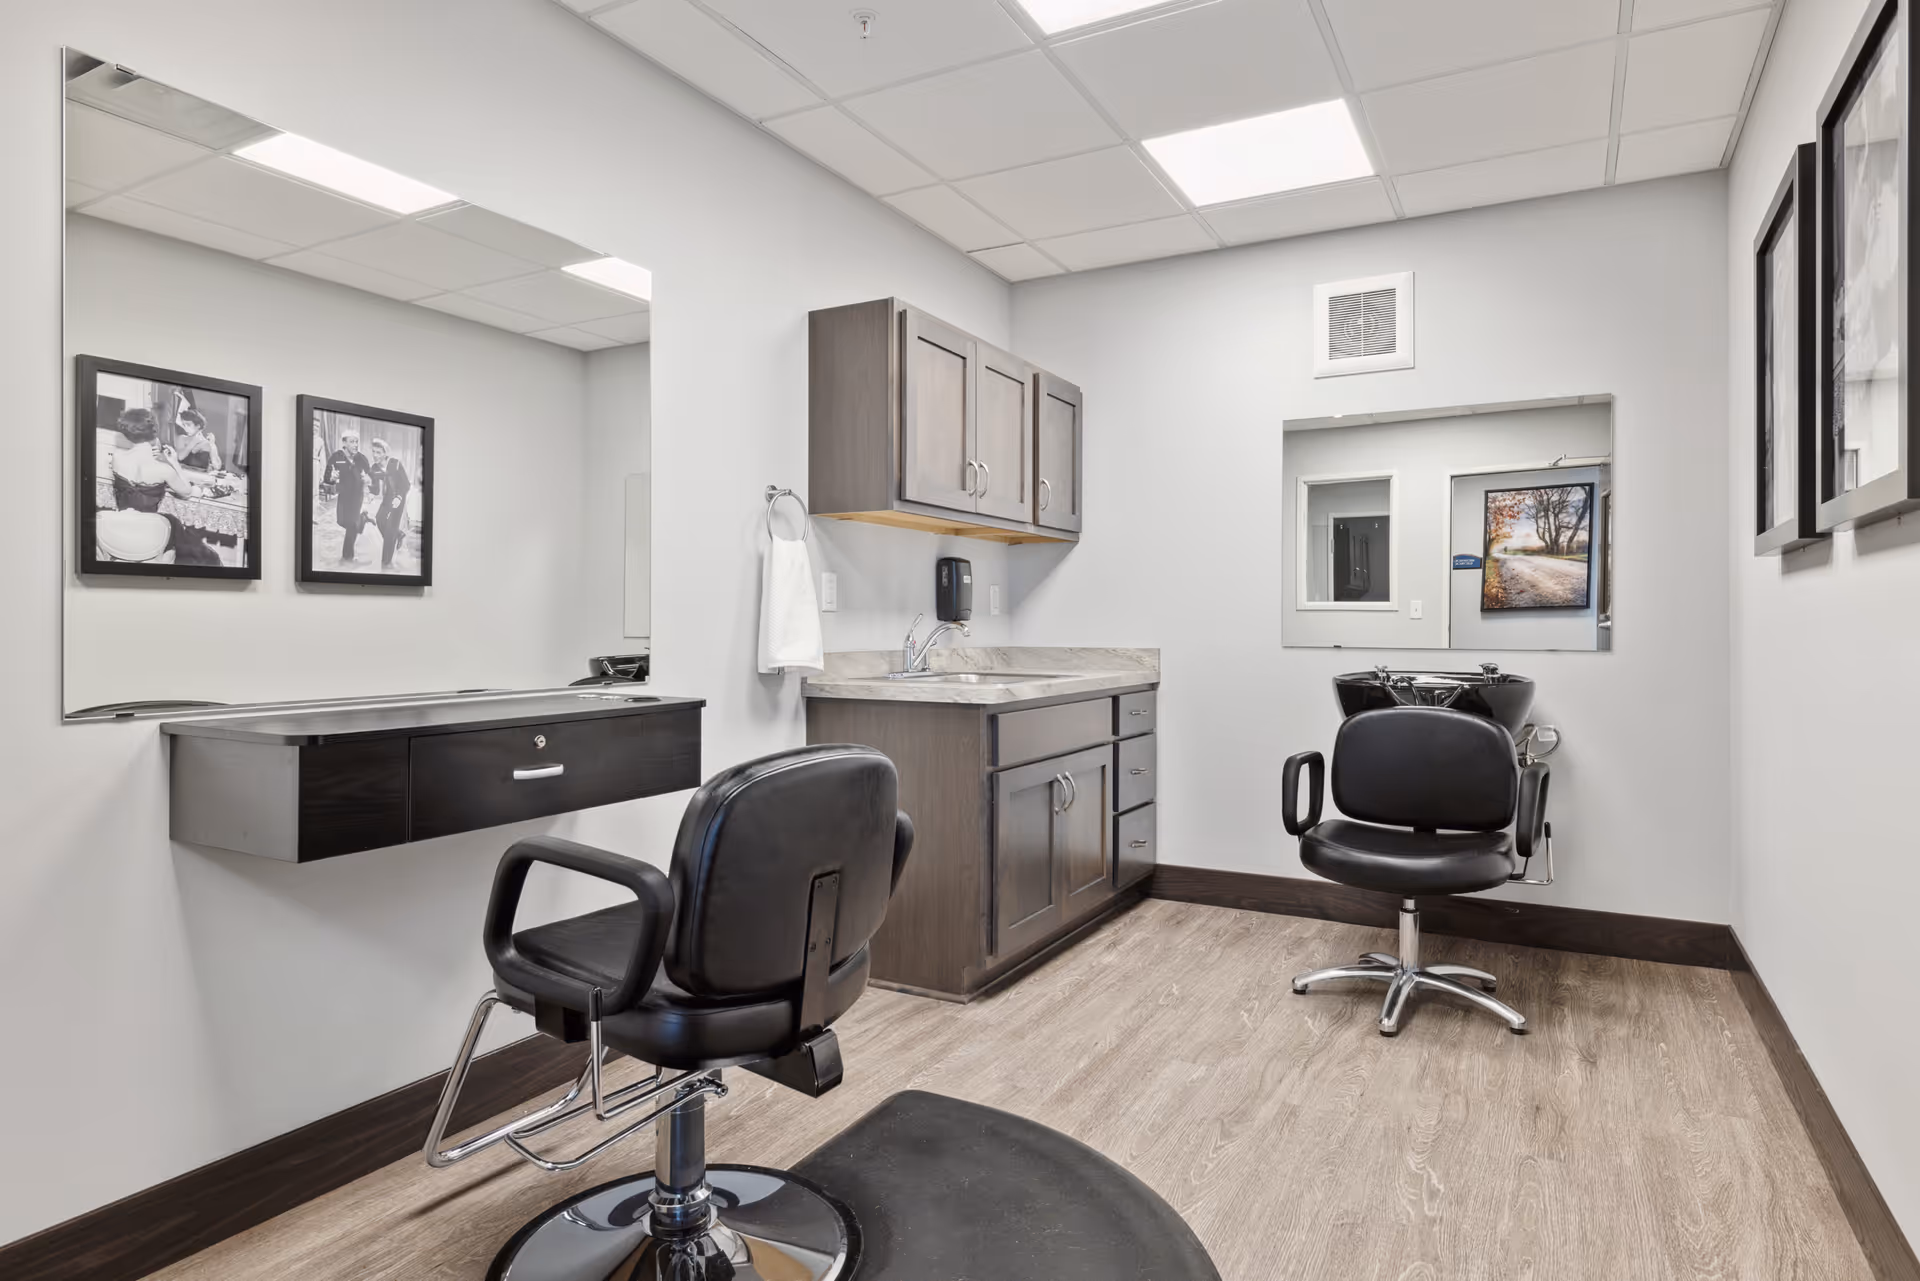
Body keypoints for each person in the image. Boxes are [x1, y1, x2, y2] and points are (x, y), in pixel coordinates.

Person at [99, 407, 220, 565]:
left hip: (121, 529)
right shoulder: (163, 470)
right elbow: (187, 492)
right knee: (202, 553)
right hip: (150, 532)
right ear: (154, 432)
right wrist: (174, 462)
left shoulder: (117, 457)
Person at [323, 428, 374, 565]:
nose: (355, 445)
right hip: (344, 494)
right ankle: (362, 519)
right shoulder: (336, 457)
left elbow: (371, 475)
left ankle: (347, 557)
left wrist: (368, 479)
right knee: (342, 521)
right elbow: (326, 478)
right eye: (352, 442)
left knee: (351, 525)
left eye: (357, 442)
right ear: (344, 443)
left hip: (357, 495)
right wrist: (332, 478)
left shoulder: (361, 458)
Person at [368, 438, 412, 571]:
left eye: (378, 452)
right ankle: (398, 534)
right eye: (374, 452)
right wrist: (371, 493)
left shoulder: (395, 463)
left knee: (389, 530)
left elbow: (406, 484)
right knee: (379, 519)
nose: (375, 455)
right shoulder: (374, 468)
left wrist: (399, 497)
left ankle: (386, 563)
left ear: (385, 453)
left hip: (398, 498)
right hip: (387, 498)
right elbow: (375, 487)